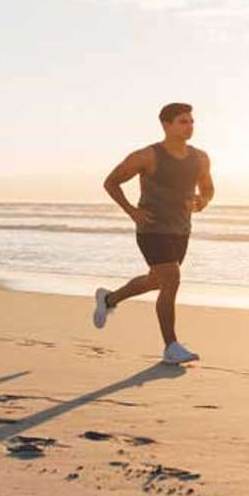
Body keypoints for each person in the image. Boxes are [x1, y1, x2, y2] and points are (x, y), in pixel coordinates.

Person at [94, 102, 214, 364]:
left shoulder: (200, 158)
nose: (190, 126)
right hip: (151, 229)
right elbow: (111, 182)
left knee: (157, 281)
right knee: (171, 279)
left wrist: (203, 201)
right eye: (183, 121)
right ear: (166, 125)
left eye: (191, 121)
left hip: (181, 230)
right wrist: (131, 211)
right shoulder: (147, 156)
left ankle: (109, 299)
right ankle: (171, 346)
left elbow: (208, 188)